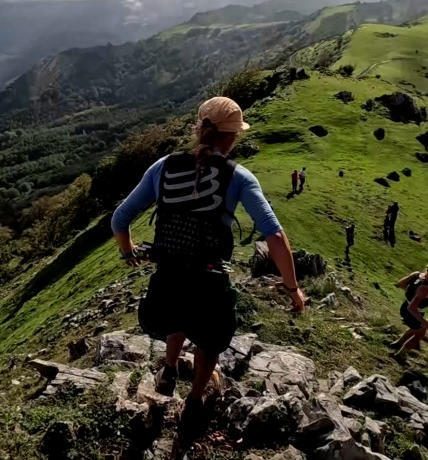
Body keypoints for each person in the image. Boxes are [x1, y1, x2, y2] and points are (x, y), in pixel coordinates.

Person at [111, 96, 305, 452]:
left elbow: (119, 219)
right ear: (233, 138)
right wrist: (293, 289)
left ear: (198, 127)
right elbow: (274, 236)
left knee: (177, 315)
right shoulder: (239, 177)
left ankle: (168, 370)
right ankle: (196, 398)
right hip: (209, 279)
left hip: (167, 279)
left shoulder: (163, 167)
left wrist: (128, 253)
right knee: (210, 338)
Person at [390, 268, 428, 359]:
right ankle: (399, 355)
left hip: (404, 307)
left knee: (415, 329)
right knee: (419, 335)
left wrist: (412, 294)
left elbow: (399, 284)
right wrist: (425, 323)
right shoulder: (425, 288)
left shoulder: (417, 274)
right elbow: (412, 308)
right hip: (414, 314)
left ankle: (397, 344)